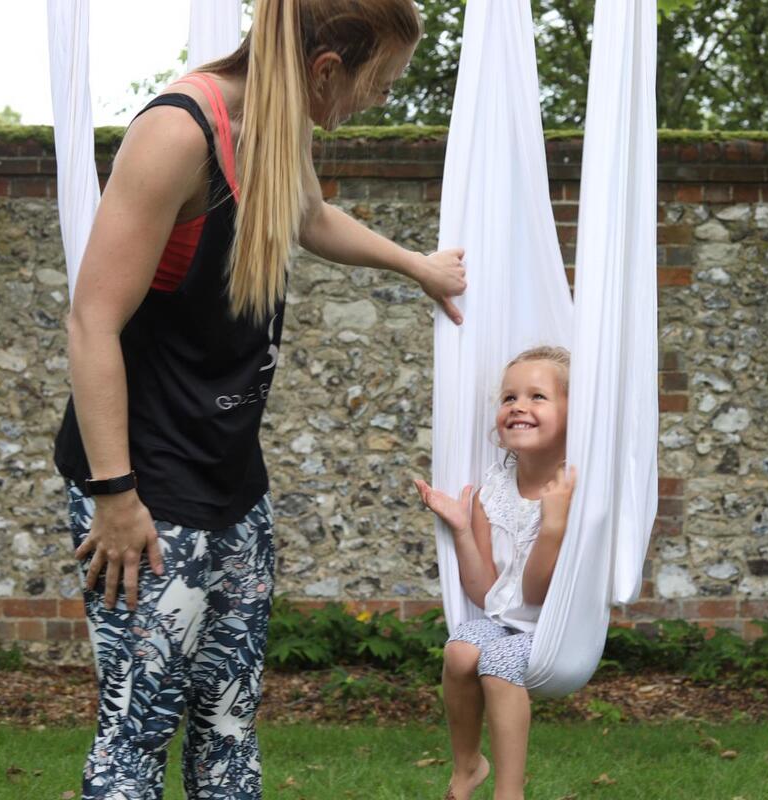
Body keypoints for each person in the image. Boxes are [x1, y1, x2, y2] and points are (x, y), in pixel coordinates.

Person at [54, 1, 465, 797]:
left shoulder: (279, 125)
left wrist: (417, 266)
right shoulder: (178, 135)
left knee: (231, 723)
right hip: (144, 486)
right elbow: (90, 320)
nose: (378, 100)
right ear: (324, 70)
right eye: (378, 81)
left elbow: (307, 214)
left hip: (234, 482)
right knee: (138, 730)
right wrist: (114, 495)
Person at [414, 346, 578, 800]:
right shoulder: (495, 488)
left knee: (499, 662)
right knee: (462, 648)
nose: (518, 406)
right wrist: (464, 529)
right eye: (509, 398)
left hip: (559, 631)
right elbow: (487, 593)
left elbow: (539, 592)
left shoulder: (576, 491)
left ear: (573, 414)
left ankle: (510, 792)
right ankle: (468, 766)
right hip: (508, 622)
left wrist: (555, 525)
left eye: (537, 397)